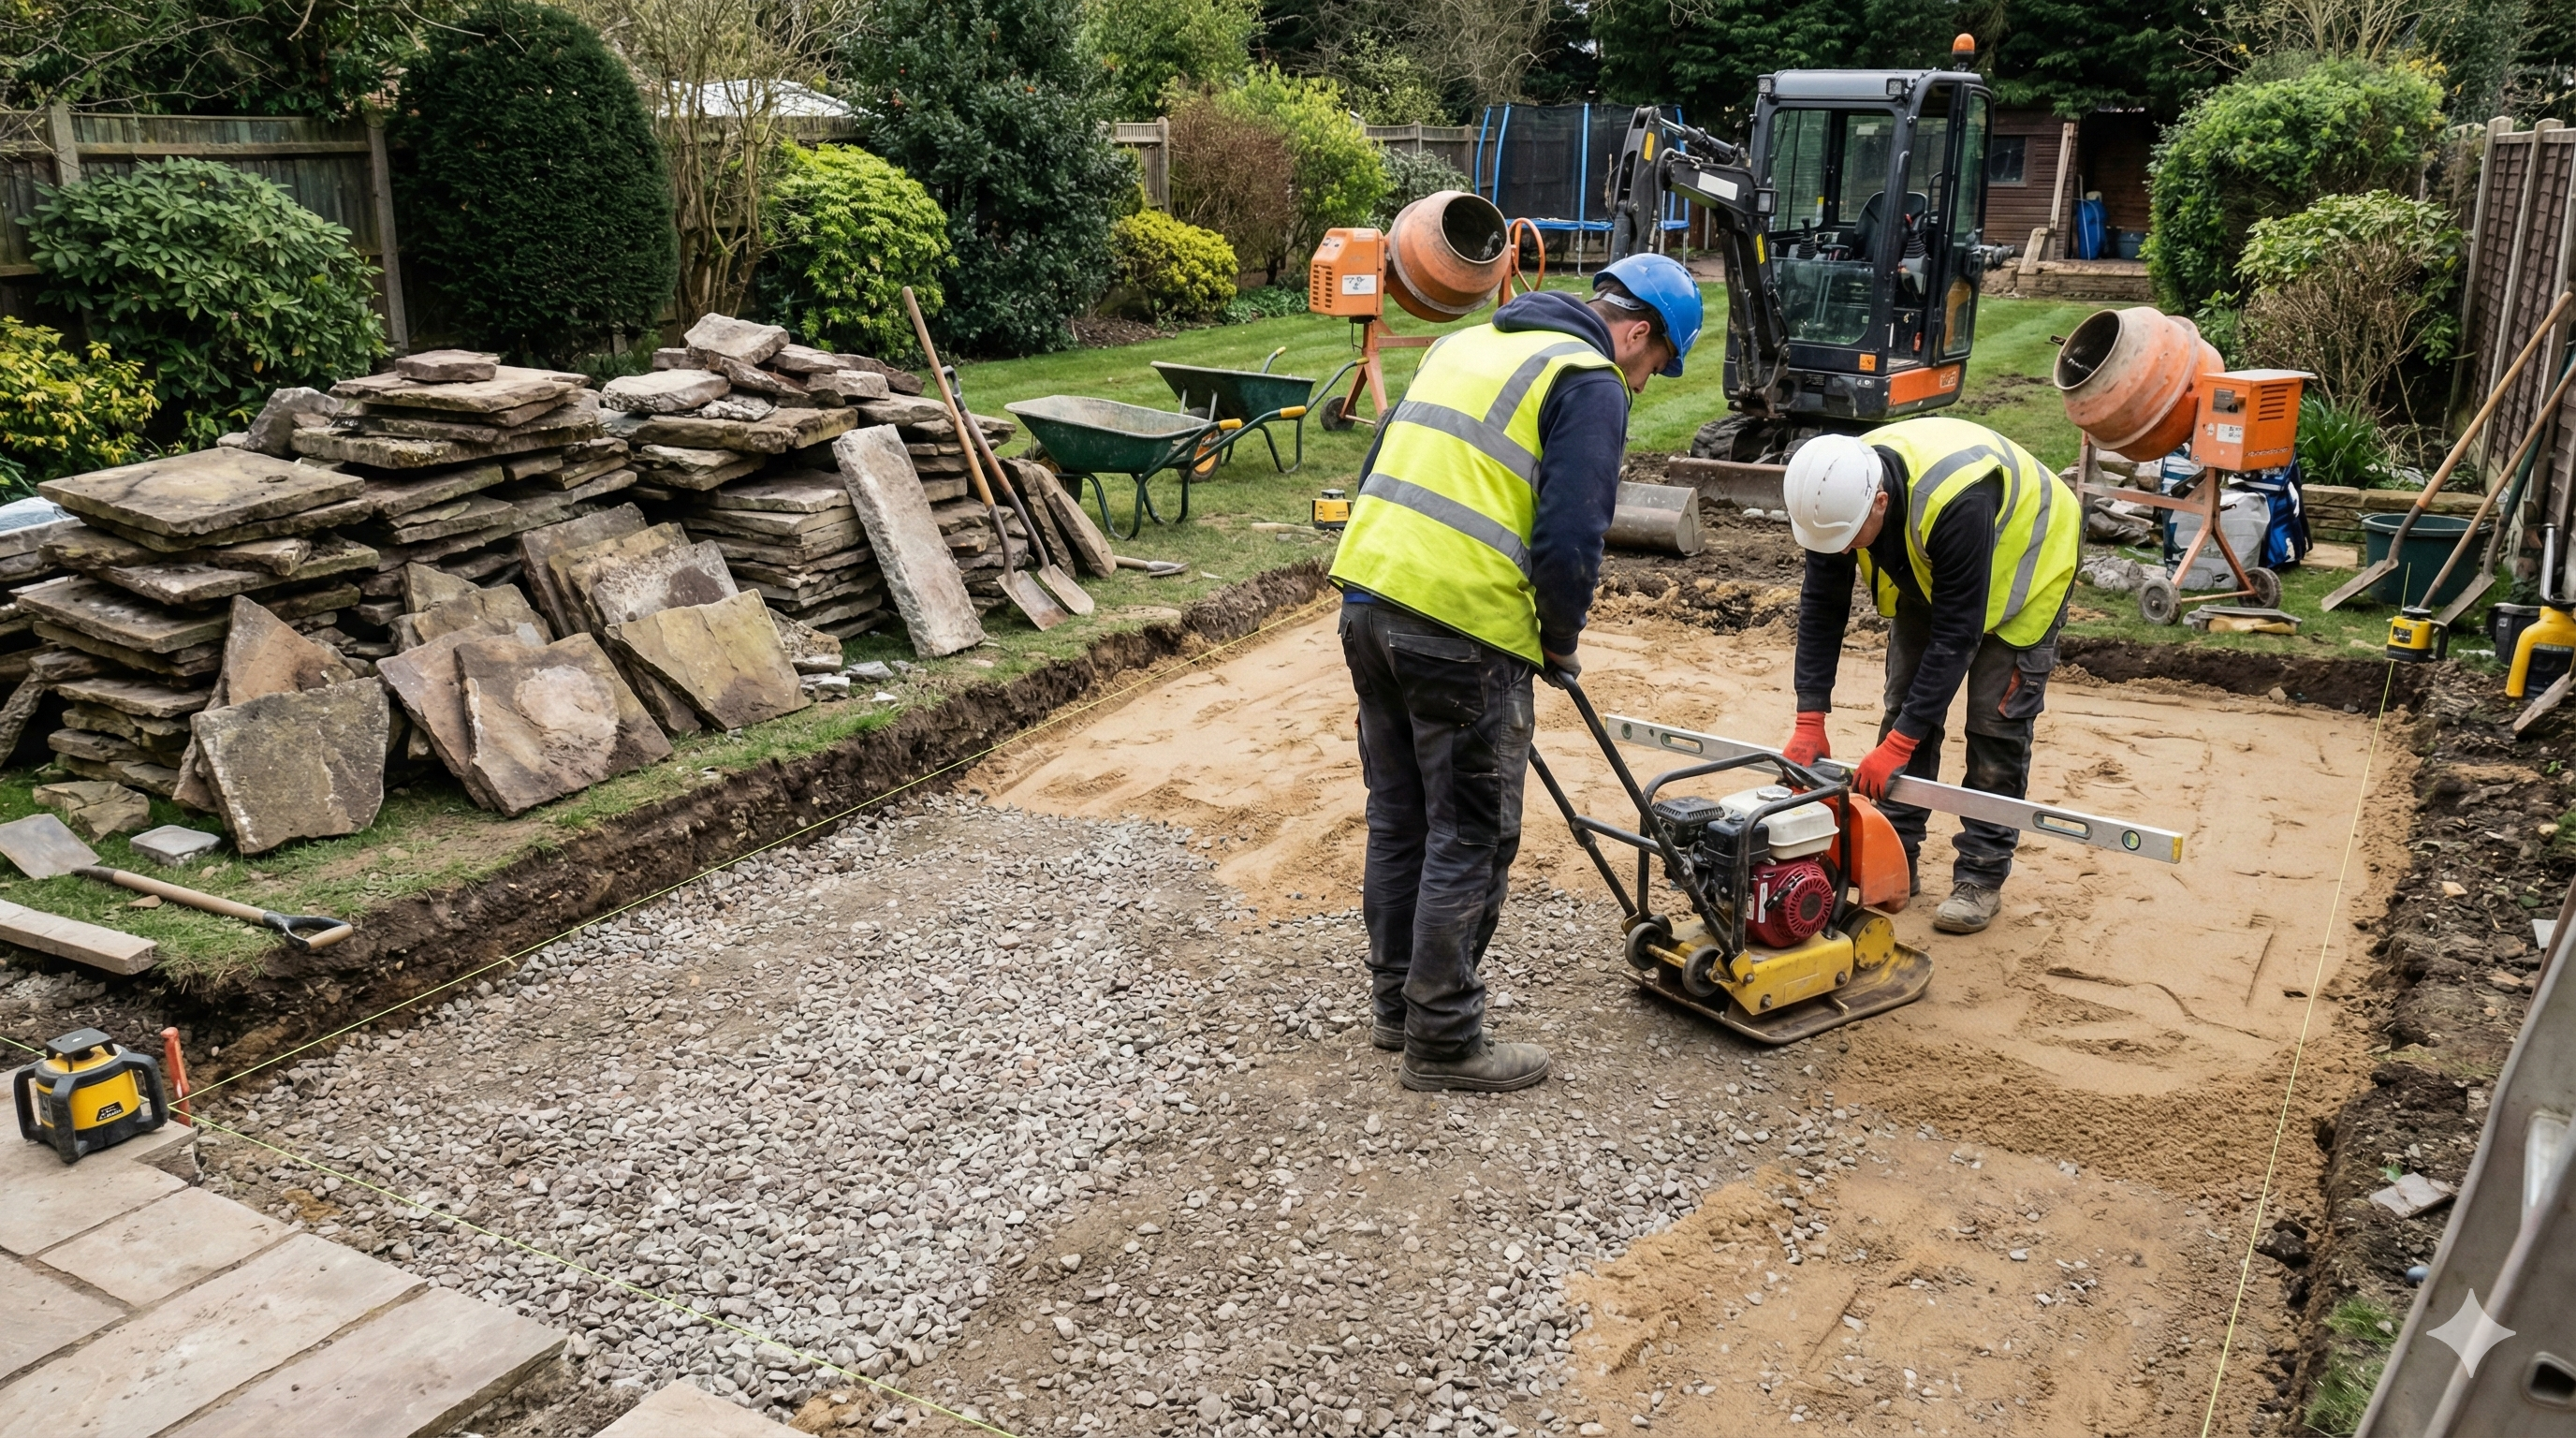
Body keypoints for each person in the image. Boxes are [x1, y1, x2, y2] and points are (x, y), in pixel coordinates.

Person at [1329, 254, 1703, 1093]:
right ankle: (1445, 1040)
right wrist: (1559, 640)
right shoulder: (1588, 377)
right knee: (1469, 833)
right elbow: (1573, 535)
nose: (1644, 382)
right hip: (1461, 628)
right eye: (1655, 365)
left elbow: (1376, 469)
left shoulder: (1461, 345)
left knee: (1399, 817)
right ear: (1638, 332)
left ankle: (1397, 1009)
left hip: (1367, 598)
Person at [1778, 416, 2080, 934]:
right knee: (1905, 710)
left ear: (1880, 502)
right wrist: (1810, 716)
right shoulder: (1834, 492)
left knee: (1994, 727)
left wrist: (1897, 747)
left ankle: (1981, 876)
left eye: (1852, 540)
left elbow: (1959, 634)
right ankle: (1897, 855)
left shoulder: (1954, 500)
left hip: (2026, 568)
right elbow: (1822, 607)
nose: (1846, 551)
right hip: (1932, 569)